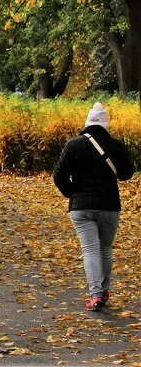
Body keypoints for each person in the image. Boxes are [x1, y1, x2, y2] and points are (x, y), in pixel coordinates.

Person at [53, 102, 136, 311]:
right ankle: (104, 291)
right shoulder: (115, 145)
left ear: (87, 122)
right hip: (109, 205)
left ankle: (96, 295)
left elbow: (58, 175)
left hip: (81, 208)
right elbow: (127, 173)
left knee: (90, 250)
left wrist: (71, 192)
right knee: (105, 249)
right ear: (105, 124)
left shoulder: (74, 145)